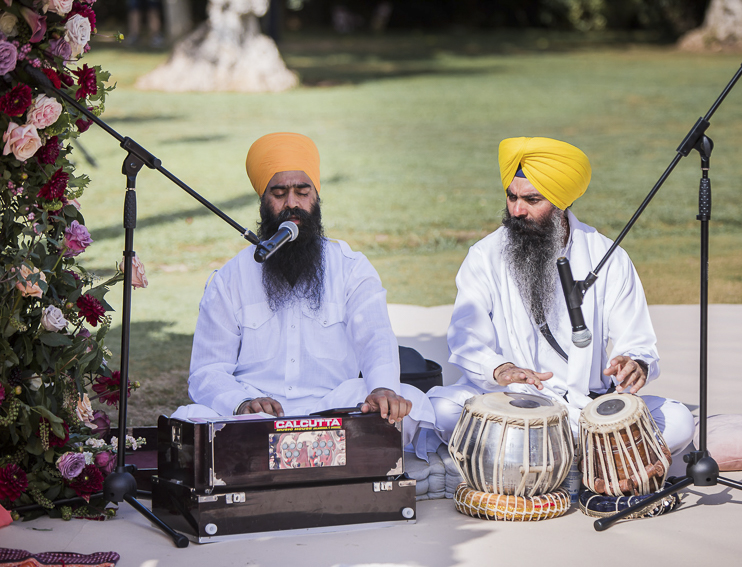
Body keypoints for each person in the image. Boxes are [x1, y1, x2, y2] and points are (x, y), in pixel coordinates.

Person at [427, 136, 695, 456]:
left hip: (585, 411)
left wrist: (634, 363)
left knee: (677, 420)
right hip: (509, 404)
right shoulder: (485, 256)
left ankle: (546, 453)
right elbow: (464, 336)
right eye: (511, 197)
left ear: (561, 203)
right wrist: (498, 369)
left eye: (532, 200)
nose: (517, 210)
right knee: (439, 410)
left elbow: (637, 341)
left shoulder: (607, 257)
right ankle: (592, 457)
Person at [173, 133, 434, 458]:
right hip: (256, 420)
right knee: (187, 419)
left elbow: (376, 338)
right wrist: (241, 404)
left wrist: (382, 389)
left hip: (333, 411)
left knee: (412, 402)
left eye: (302, 191)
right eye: (279, 193)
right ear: (263, 201)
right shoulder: (230, 279)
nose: (292, 204)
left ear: (316, 196)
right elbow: (206, 371)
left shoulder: (350, 268)